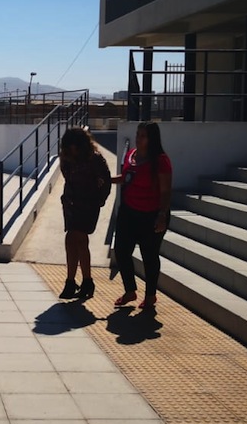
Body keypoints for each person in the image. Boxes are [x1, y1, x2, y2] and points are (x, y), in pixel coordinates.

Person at [110, 122, 173, 309]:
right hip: (129, 212)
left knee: (149, 257)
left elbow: (166, 191)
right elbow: (125, 178)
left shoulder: (161, 161)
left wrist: (162, 215)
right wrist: (106, 180)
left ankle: (151, 295)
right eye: (138, 134)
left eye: (143, 135)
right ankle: (130, 291)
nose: (138, 138)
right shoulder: (131, 155)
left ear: (152, 139)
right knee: (121, 252)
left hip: (151, 215)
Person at [57, 127, 111, 301]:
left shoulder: (94, 159)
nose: (72, 150)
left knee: (77, 237)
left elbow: (106, 180)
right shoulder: (65, 158)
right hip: (72, 203)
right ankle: (83, 281)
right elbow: (67, 178)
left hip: (88, 204)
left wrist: (100, 199)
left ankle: (74, 281)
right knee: (74, 240)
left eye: (74, 146)